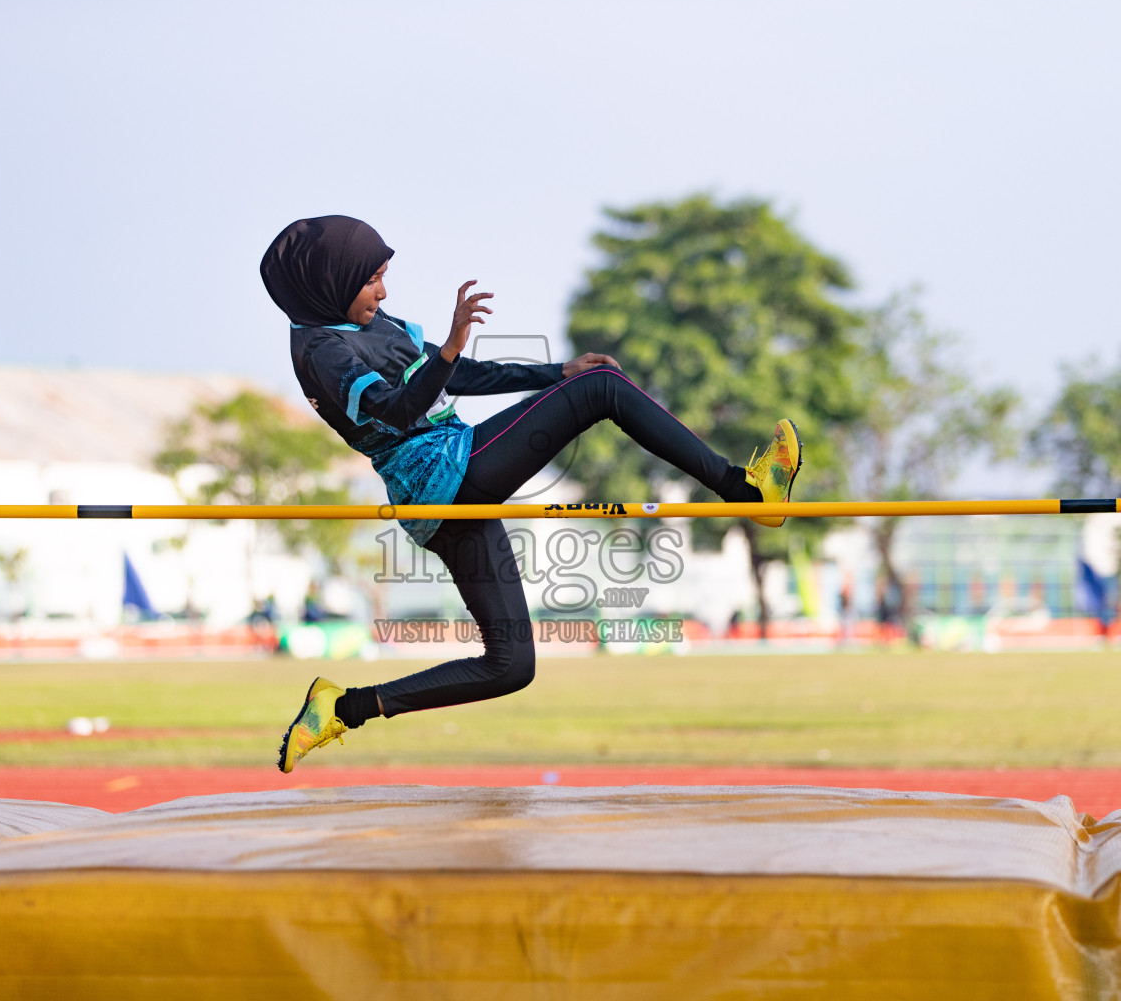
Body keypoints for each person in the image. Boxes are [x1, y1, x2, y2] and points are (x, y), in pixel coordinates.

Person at [261, 216, 803, 772]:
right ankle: (745, 491)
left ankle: (342, 707)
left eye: (383, 275)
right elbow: (399, 409)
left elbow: (456, 376)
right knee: (602, 391)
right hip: (438, 475)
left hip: (449, 491)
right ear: (330, 281)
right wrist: (447, 350)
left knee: (510, 665)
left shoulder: (368, 322)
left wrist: (555, 372)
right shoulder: (322, 349)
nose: (383, 290)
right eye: (372, 279)